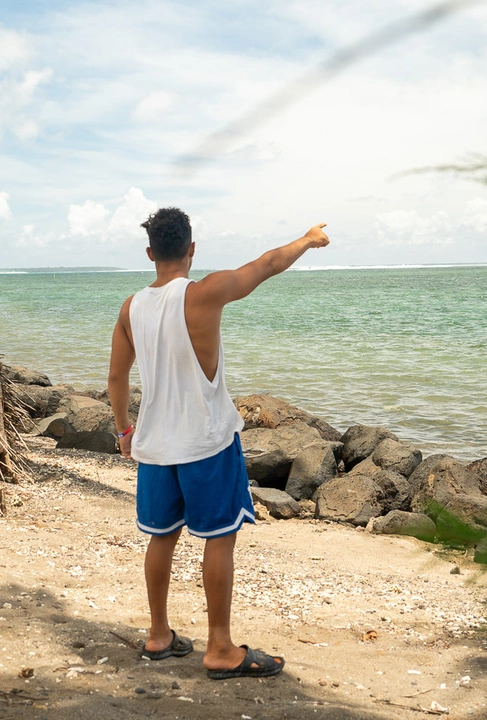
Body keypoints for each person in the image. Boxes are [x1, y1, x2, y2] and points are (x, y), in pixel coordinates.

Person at [106, 208, 330, 680]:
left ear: (150, 253)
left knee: (161, 537)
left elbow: (116, 376)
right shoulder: (205, 293)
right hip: (206, 442)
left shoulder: (131, 308)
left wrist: (124, 431)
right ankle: (221, 648)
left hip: (155, 447)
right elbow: (268, 264)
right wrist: (307, 240)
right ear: (191, 249)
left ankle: (159, 634)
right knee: (220, 540)